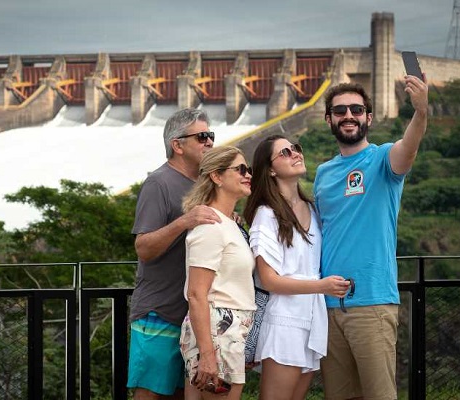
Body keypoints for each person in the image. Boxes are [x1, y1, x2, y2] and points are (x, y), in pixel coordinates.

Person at [314, 76, 428, 399]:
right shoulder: (323, 173)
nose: (348, 115)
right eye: (340, 111)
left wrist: (420, 113)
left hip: (372, 302)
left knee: (379, 395)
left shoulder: (383, 159)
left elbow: (408, 149)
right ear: (329, 119)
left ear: (368, 117)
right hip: (328, 306)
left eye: (356, 109)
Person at [243, 135, 350, 400]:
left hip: (312, 318)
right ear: (270, 169)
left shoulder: (312, 209)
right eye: (285, 153)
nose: (295, 154)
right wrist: (322, 286)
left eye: (296, 149)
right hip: (283, 321)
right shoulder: (266, 214)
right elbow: (268, 280)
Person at [128, 108, 222, 400]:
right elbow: (143, 248)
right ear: (177, 145)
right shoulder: (160, 182)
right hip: (160, 313)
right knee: (152, 395)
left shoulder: (206, 185)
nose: (209, 142)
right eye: (201, 136)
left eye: (211, 136)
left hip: (194, 316)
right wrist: (185, 220)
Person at [179, 146, 255, 400]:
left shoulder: (226, 223)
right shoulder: (211, 227)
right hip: (216, 332)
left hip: (225, 332)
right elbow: (196, 293)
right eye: (240, 169)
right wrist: (208, 354)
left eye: (249, 170)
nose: (248, 175)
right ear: (216, 176)